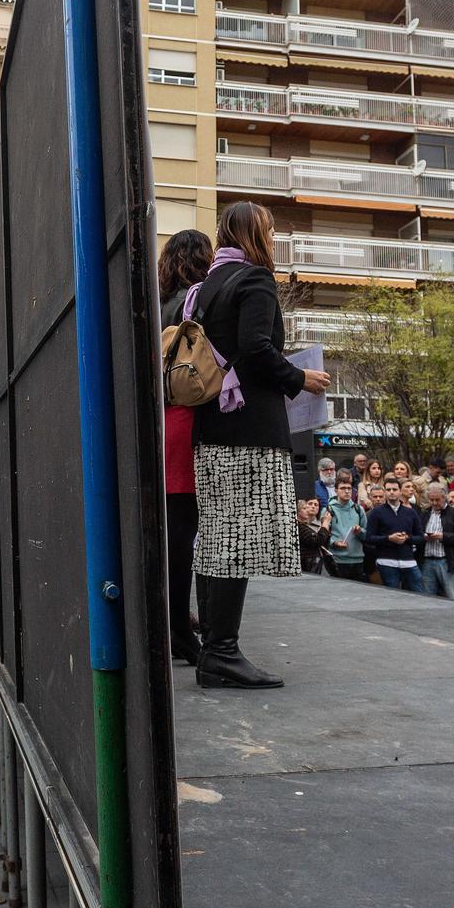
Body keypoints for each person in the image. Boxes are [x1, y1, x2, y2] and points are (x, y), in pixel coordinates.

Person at [190, 201, 329, 690]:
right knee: (236, 542)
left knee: (215, 541)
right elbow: (254, 347)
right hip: (248, 428)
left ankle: (213, 650)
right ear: (257, 234)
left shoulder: (206, 287)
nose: (273, 238)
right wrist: (300, 377)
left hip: (211, 428)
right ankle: (222, 653)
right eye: (270, 230)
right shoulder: (254, 279)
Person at [158, 227, 213, 666]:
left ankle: (176, 620)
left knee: (175, 532)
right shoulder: (195, 301)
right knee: (183, 535)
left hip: (164, 422)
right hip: (187, 421)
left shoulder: (159, 304)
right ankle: (178, 629)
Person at [365, 479, 423, 592]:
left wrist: (407, 538)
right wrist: (389, 538)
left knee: (419, 594)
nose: (391, 492)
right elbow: (369, 538)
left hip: (409, 561)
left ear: (400, 491)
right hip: (386, 561)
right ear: (385, 492)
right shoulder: (376, 512)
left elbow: (420, 537)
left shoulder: (410, 512)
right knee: (393, 596)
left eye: (395, 489)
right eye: (388, 489)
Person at [419, 483, 454, 600]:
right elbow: (417, 533)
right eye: (431, 500)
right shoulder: (425, 513)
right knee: (427, 598)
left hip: (447, 561)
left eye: (437, 500)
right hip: (427, 560)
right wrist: (424, 537)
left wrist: (443, 537)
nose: (434, 503)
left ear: (445, 498)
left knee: (453, 596)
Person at [325, 478, 367, 581]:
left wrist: (360, 531)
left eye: (349, 488)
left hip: (358, 560)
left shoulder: (358, 509)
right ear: (336, 491)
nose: (347, 491)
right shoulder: (328, 509)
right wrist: (334, 543)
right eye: (343, 488)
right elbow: (323, 536)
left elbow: (367, 534)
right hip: (337, 560)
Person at [296, 497, 330, 575]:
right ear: (297, 511)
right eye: (304, 508)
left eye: (316, 505)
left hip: (315, 562)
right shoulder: (299, 526)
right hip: (308, 564)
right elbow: (317, 541)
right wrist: (325, 524)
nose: (307, 510)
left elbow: (324, 543)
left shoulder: (304, 526)